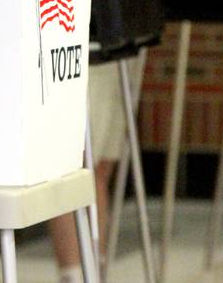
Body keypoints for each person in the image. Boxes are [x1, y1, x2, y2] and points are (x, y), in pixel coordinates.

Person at [47, 55, 145, 283]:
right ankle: (72, 275)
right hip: (78, 47)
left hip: (116, 45)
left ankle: (95, 274)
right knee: (72, 166)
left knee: (100, 168)